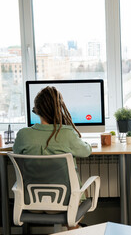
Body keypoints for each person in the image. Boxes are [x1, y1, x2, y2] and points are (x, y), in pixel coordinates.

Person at [13, 86, 91, 228]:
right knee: (80, 190)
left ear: (36, 109)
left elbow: (16, 151)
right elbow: (86, 151)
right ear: (59, 108)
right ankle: (73, 229)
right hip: (64, 203)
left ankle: (73, 229)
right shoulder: (67, 133)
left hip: (31, 203)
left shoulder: (23, 135)